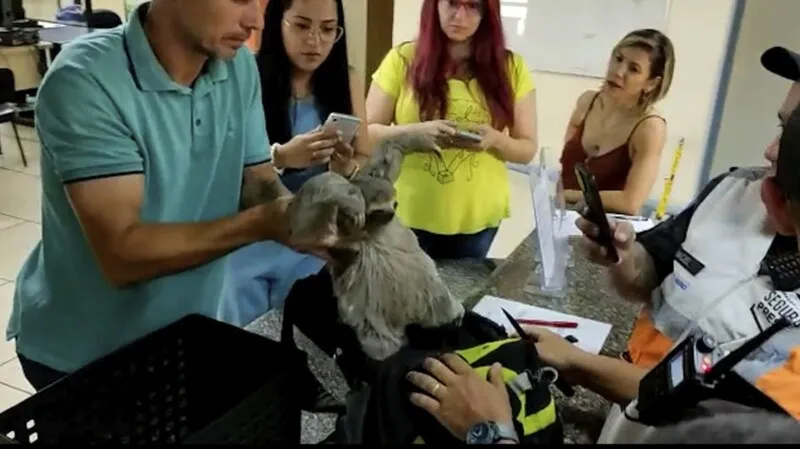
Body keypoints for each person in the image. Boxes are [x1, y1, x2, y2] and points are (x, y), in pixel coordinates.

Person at [402, 45, 800, 443]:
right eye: (782, 127)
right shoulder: (733, 189)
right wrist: (624, 258)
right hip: (623, 414)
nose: (770, 153)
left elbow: (707, 403)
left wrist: (488, 432)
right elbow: (653, 267)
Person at [6, 0, 328, 391]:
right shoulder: (86, 80)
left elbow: (257, 182)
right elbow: (123, 253)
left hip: (182, 335)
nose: (256, 21)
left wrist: (305, 217)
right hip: (84, 355)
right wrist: (264, 223)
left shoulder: (237, 66)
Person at [220, 0, 370, 327]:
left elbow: (363, 156)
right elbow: (219, 173)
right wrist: (282, 156)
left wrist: (345, 170)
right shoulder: (246, 77)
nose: (315, 40)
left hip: (313, 244)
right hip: (253, 237)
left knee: (306, 338)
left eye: (328, 29)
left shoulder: (347, 81)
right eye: (302, 26)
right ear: (277, 23)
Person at [366, 0, 538, 260]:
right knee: (405, 294)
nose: (460, 16)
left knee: (460, 295)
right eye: (452, 4)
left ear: (486, 14)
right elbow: (365, 135)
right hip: (408, 210)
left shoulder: (511, 67)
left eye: (472, 7)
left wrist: (495, 140)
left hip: (478, 215)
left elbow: (526, 148)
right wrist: (414, 133)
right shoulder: (402, 60)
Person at [559, 29, 675, 216]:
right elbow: (568, 166)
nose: (618, 71)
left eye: (633, 69)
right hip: (560, 216)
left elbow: (631, 202)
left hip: (601, 233)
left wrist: (568, 195)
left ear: (651, 83)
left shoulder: (650, 127)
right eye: (618, 59)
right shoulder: (587, 102)